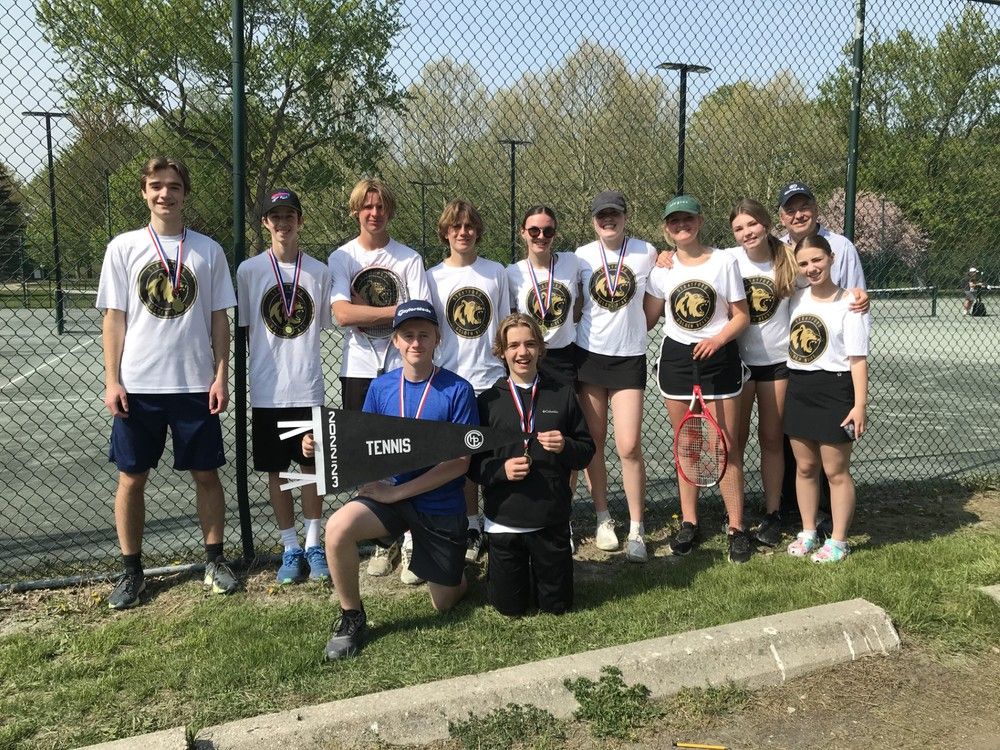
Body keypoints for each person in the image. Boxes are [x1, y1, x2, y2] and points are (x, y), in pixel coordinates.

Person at [97, 156, 238, 609]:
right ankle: (132, 572)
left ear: (184, 192)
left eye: (173, 186)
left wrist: (220, 376)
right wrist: (112, 380)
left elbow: (220, 320)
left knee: (205, 475)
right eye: (156, 186)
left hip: (195, 385)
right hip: (138, 387)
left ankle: (214, 561)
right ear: (144, 192)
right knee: (131, 478)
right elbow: (114, 319)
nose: (165, 193)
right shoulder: (123, 247)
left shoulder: (208, 251)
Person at [318, 300, 476, 660]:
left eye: (424, 335)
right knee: (338, 527)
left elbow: (459, 464)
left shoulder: (458, 390)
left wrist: (397, 493)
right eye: (408, 335)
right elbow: (363, 445)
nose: (416, 342)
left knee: (444, 603)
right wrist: (321, 445)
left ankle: (456, 572)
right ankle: (351, 616)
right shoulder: (381, 388)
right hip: (391, 495)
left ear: (438, 339)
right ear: (396, 342)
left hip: (436, 500)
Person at [327, 178, 431, 580]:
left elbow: (419, 315)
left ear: (390, 211)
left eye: (381, 206)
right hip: (358, 368)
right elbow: (342, 315)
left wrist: (372, 311)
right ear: (356, 212)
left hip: (402, 368)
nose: (374, 213)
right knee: (366, 455)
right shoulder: (342, 257)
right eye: (366, 207)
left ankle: (412, 540)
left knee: (411, 451)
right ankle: (381, 542)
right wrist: (395, 310)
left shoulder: (408, 259)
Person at [644, 195, 752, 563]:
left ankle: (736, 526)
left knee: (726, 445)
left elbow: (741, 316)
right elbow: (647, 317)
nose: (681, 226)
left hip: (719, 360)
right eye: (673, 222)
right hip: (676, 360)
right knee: (687, 445)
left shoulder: (724, 261)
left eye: (687, 219)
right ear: (665, 229)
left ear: (700, 221)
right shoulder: (662, 269)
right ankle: (689, 521)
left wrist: (717, 340)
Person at [469, 314, 595, 617]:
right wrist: (501, 470)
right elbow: (473, 467)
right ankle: (504, 572)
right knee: (509, 609)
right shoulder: (487, 402)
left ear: (540, 348)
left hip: (549, 518)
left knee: (556, 607)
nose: (522, 352)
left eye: (529, 344)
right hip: (504, 520)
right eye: (513, 345)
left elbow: (586, 452)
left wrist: (565, 446)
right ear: (501, 351)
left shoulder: (562, 393)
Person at [236, 188, 332, 584]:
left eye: (289, 214)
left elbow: (328, 322)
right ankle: (289, 546)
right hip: (266, 391)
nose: (282, 222)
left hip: (306, 388)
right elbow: (244, 329)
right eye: (275, 216)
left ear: (300, 220)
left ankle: (313, 542)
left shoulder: (320, 272)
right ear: (265, 222)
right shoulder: (248, 271)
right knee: (277, 472)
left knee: (312, 468)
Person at [575, 190, 658, 562]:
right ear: (593, 221)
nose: (608, 220)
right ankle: (603, 519)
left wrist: (636, 332)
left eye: (614, 214)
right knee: (593, 442)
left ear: (625, 217)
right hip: (589, 356)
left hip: (628, 359)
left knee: (628, 446)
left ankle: (638, 528)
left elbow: (653, 305)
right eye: (601, 216)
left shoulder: (648, 252)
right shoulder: (581, 256)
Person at [427, 199, 510, 568]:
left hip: (491, 379)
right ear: (446, 233)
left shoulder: (496, 273)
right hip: (451, 384)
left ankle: (499, 523)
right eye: (455, 227)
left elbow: (505, 325)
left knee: (493, 459)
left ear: (478, 231)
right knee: (460, 461)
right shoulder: (432, 276)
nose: (463, 232)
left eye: (469, 226)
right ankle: (471, 525)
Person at [784, 234, 870, 563]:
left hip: (835, 390)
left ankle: (838, 540)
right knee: (805, 467)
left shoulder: (851, 302)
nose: (811, 268)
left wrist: (859, 404)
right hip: (799, 388)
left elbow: (857, 359)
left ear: (831, 258)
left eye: (817, 260)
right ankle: (808, 530)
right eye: (804, 263)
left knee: (836, 471)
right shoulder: (795, 298)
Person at [726, 199, 799, 546]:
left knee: (771, 439)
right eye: (739, 228)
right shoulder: (728, 260)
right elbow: (687, 263)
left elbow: (820, 287)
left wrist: (855, 295)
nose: (746, 233)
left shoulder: (788, 257)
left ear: (767, 224)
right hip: (737, 365)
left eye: (752, 224)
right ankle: (735, 515)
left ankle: (772, 514)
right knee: (734, 443)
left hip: (778, 364)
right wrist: (663, 256)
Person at [507, 205, 583, 387]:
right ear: (523, 232)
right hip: (528, 357)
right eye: (534, 231)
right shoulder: (512, 272)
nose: (541, 236)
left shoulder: (572, 261)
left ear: (554, 234)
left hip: (565, 357)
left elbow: (582, 297)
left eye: (548, 231)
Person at [776, 182, 866, 289]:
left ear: (816, 209)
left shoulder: (842, 247)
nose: (799, 215)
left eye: (804, 208)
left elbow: (856, 296)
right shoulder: (776, 251)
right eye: (791, 211)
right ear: (782, 218)